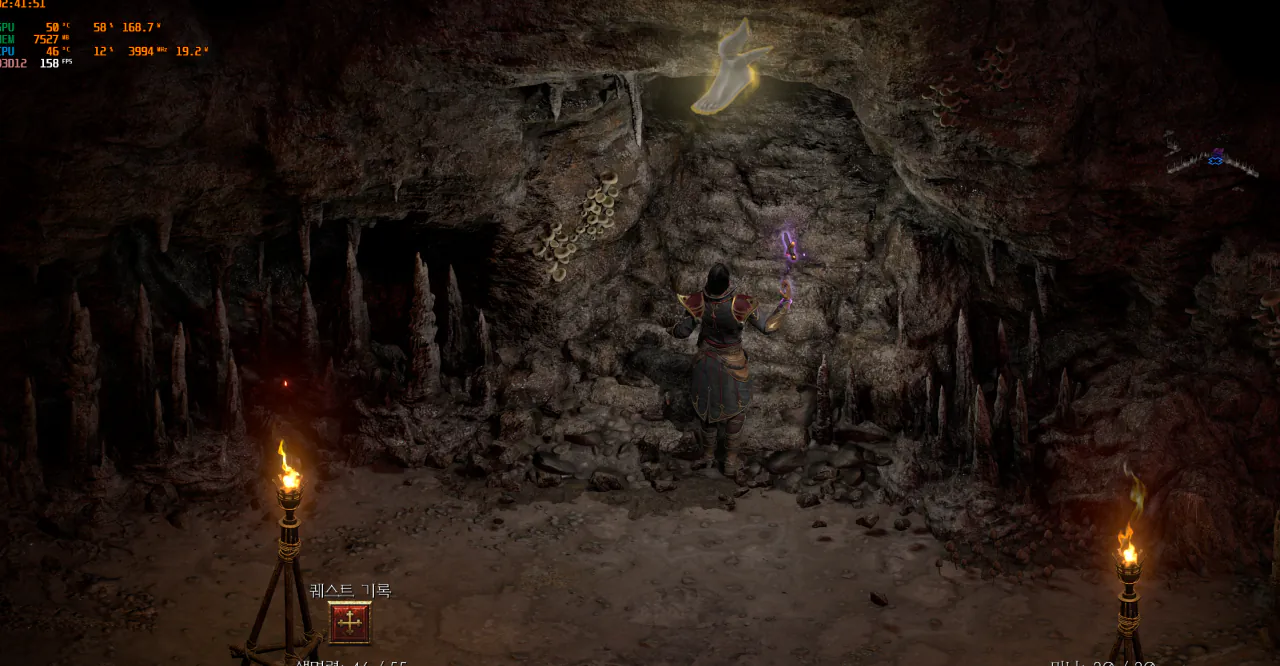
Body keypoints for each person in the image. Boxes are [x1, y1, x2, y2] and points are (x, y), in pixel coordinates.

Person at [671, 263, 791, 478]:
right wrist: (785, 303)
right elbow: (768, 327)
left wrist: (671, 327)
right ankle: (730, 461)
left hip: (704, 363)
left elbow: (681, 332)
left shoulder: (698, 301)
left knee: (707, 410)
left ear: (708, 282)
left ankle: (708, 455)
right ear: (728, 283)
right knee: (736, 411)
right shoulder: (740, 304)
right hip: (732, 364)